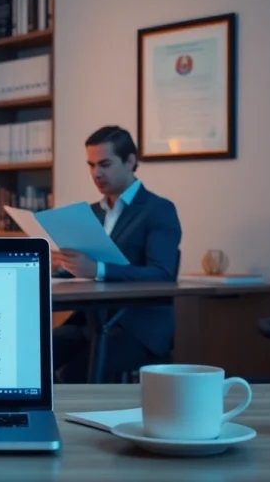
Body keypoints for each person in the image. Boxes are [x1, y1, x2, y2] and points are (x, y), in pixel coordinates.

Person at [52, 125, 182, 383]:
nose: (96, 173)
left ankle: (72, 421)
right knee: (31, 356)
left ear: (130, 161)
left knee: (74, 375)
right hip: (91, 321)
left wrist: (98, 269)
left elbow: (163, 274)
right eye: (91, 165)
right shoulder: (91, 212)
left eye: (105, 164)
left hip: (137, 328)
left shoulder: (158, 210)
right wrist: (61, 267)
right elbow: (87, 268)